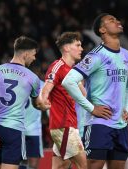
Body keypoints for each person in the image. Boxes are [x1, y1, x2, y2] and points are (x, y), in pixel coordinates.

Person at [62, 13, 128, 169]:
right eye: (112, 20)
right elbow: (68, 81)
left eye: (117, 19)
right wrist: (91, 108)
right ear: (102, 30)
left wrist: (127, 108)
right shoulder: (96, 56)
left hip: (121, 125)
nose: (117, 21)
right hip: (99, 123)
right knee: (94, 165)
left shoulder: (127, 56)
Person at [0, 36, 50, 169]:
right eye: (34, 54)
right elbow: (37, 104)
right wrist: (44, 106)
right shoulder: (32, 78)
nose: (34, 58)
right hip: (14, 129)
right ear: (26, 54)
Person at [40, 32, 87, 169]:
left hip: (68, 125)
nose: (81, 49)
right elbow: (46, 88)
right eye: (77, 45)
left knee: (61, 166)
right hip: (64, 126)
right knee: (85, 165)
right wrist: (43, 100)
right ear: (66, 48)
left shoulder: (72, 71)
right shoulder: (58, 66)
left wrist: (79, 78)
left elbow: (83, 95)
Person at [19, 81, 44, 169]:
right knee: (32, 165)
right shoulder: (42, 85)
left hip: (17, 129)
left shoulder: (19, 82)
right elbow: (46, 106)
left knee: (19, 161)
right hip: (34, 130)